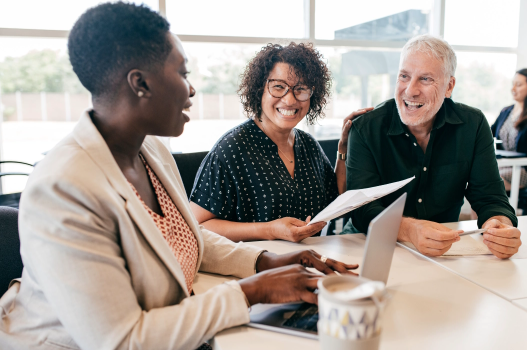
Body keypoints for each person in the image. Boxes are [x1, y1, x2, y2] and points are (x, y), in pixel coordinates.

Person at [0, 3, 358, 350]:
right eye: (183, 73)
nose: (191, 90)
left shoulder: (151, 150)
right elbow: (122, 340)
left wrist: (266, 262)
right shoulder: (63, 188)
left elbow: (187, 235)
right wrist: (253, 290)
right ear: (140, 83)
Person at [344, 34, 522, 259]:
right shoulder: (366, 128)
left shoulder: (473, 125)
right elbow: (362, 209)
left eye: (426, 79)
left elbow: (490, 198)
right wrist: (410, 230)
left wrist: (500, 226)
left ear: (449, 86)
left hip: (442, 249)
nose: (410, 90)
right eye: (404, 76)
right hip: (369, 242)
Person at [190, 43, 372, 242]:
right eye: (279, 87)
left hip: (309, 261)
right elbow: (198, 226)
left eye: (300, 89)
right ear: (260, 89)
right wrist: (270, 230)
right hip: (255, 266)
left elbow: (336, 197)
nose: (290, 100)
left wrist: (344, 148)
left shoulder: (308, 145)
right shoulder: (231, 149)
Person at [492, 69, 527, 191]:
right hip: (504, 164)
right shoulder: (506, 111)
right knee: (477, 177)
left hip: (522, 168)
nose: (513, 89)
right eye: (513, 84)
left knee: (490, 181)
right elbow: (488, 134)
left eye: (518, 85)